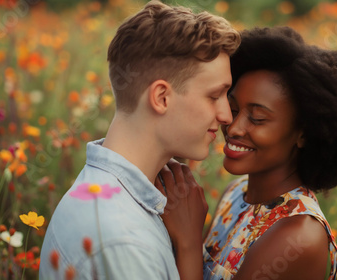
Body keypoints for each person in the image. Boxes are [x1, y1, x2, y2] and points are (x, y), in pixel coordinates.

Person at [39, 1, 240, 279]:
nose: (226, 116)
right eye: (214, 96)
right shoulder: (124, 242)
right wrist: (188, 246)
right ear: (161, 98)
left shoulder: (112, 196)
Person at [158, 26, 337, 279]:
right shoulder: (236, 194)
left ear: (303, 134)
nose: (234, 127)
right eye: (233, 108)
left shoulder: (297, 237)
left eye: (258, 118)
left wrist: (187, 240)